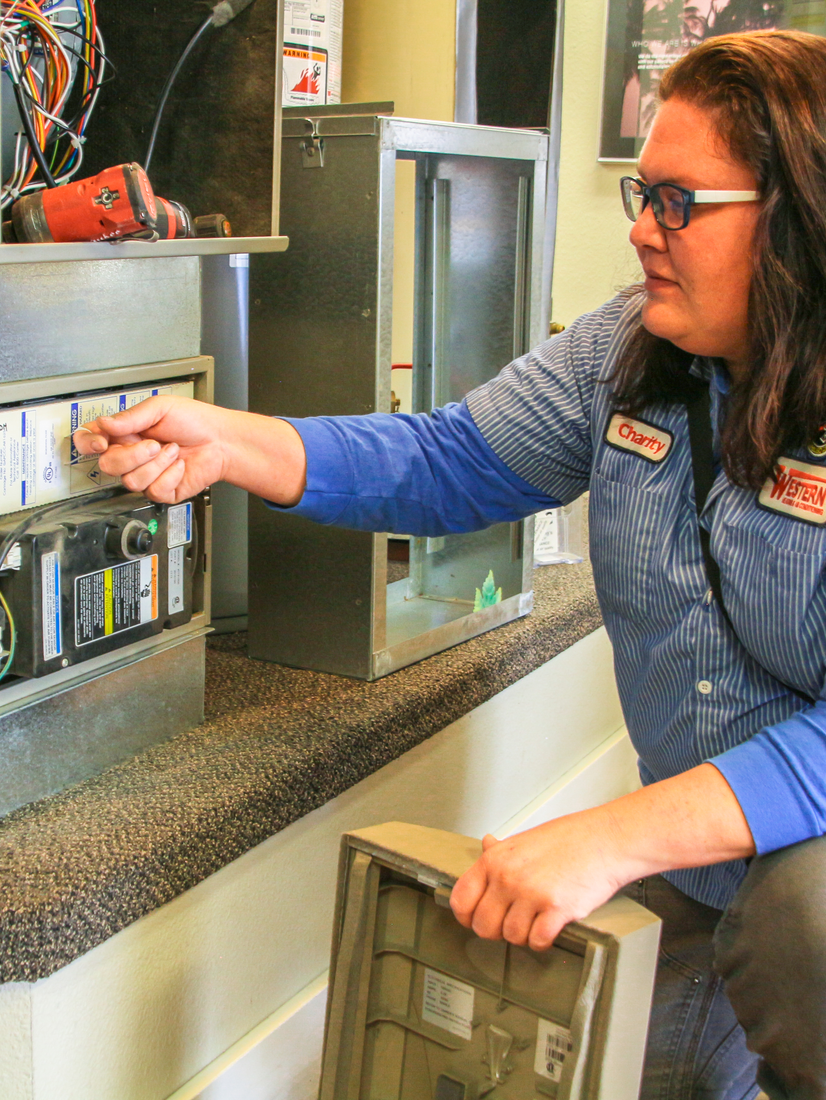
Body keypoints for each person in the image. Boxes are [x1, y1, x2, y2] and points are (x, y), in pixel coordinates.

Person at [74, 31, 826, 1100]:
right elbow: (453, 458)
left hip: (792, 890)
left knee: (806, 917)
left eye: (675, 203)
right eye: (637, 194)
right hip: (696, 878)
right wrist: (230, 443)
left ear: (796, 216)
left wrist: (607, 837)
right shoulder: (628, 350)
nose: (642, 232)